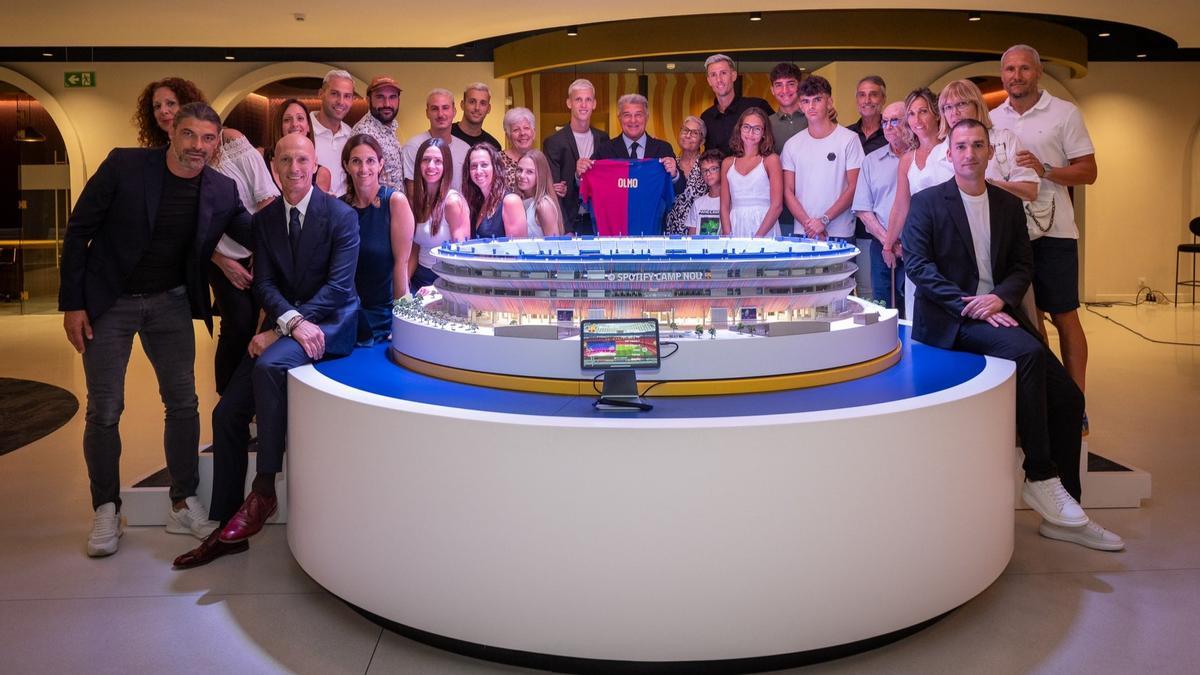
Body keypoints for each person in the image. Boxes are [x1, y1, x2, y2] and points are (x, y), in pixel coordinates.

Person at [902, 118, 1122, 552]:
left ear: (990, 152)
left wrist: (1000, 299)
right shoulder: (927, 202)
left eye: (977, 145)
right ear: (950, 154)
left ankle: (1066, 513)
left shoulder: (1004, 204)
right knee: (1027, 354)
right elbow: (918, 266)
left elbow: (1023, 265)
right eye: (961, 146)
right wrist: (971, 303)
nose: (969, 153)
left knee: (1070, 398)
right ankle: (1040, 476)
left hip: (997, 311)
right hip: (954, 318)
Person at [60, 102, 252, 557]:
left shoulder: (221, 189)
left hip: (170, 302)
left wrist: (304, 211)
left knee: (183, 402)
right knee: (105, 408)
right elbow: (78, 230)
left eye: (208, 139)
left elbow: (254, 232)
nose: (197, 147)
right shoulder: (126, 165)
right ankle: (106, 507)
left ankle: (182, 501)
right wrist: (73, 303)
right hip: (110, 302)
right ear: (172, 132)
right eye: (189, 135)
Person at [172, 133, 361, 568]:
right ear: (272, 167)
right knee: (225, 414)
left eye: (302, 160)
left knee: (268, 366)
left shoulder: (340, 216)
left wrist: (282, 330)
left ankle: (263, 490)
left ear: (315, 166)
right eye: (285, 160)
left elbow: (337, 289)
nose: (294, 168)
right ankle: (224, 525)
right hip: (289, 323)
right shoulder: (267, 219)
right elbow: (265, 284)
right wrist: (288, 322)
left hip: (330, 325)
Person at [990, 44, 1097, 404]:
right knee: (1032, 320)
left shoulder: (1064, 113)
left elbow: (1089, 172)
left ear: (1037, 72)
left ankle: (1076, 401)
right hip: (1012, 235)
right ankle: (1051, 398)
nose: (1015, 76)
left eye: (1023, 69)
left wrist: (1046, 169)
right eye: (1009, 69)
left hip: (1055, 232)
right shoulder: (993, 118)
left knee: (1064, 315)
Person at [207, 120, 280, 396]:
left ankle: (250, 402)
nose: (167, 112)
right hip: (218, 256)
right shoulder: (178, 160)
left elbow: (264, 199)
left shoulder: (232, 142)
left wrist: (262, 253)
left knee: (259, 325)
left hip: (256, 247)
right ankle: (227, 402)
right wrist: (222, 262)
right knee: (237, 324)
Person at [885, 88, 953, 320]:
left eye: (923, 111)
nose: (917, 119)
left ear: (936, 114)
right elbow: (901, 205)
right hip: (919, 241)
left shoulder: (952, 149)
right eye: (912, 114)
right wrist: (888, 243)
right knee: (918, 310)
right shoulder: (907, 159)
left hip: (950, 238)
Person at [342, 134, 416, 345]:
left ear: (381, 164)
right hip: (346, 312)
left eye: (370, 161)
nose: (363, 168)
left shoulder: (395, 202)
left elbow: (401, 267)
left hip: (382, 315)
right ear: (347, 165)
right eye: (356, 161)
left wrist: (404, 323)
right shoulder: (339, 208)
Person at [780, 75, 863, 240]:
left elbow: (854, 187)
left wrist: (824, 220)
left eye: (817, 99)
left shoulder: (849, 139)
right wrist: (808, 224)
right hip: (804, 232)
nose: (811, 106)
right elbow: (788, 191)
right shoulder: (792, 144)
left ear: (830, 102)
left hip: (840, 232)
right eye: (805, 101)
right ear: (800, 106)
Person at [852, 101, 912, 311]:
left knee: (913, 308)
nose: (888, 126)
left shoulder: (922, 158)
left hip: (916, 246)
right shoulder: (871, 161)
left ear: (910, 121)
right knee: (883, 306)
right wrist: (889, 242)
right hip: (881, 245)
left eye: (895, 121)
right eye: (884, 121)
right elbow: (863, 209)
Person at [938, 79, 1039, 203]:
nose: (954, 113)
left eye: (961, 104)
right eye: (948, 107)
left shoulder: (1005, 139)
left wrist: (986, 185)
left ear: (977, 105)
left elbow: (1030, 191)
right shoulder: (937, 153)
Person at [543, 79, 607, 235]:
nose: (584, 105)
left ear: (594, 104)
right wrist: (565, 229)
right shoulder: (554, 142)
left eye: (588, 100)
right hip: (569, 224)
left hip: (598, 223)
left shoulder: (604, 139)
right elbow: (554, 192)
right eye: (578, 99)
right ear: (569, 103)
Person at [409, 138, 471, 290]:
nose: (431, 166)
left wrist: (437, 288)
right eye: (426, 160)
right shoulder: (419, 201)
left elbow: (461, 256)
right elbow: (415, 250)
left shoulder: (452, 202)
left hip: (444, 280)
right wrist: (404, 282)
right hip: (419, 278)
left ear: (446, 166)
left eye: (438, 161)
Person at [721, 108, 783, 238]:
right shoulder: (727, 163)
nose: (750, 133)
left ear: (764, 133)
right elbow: (724, 206)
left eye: (757, 129)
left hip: (764, 227)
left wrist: (757, 238)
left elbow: (777, 205)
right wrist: (728, 235)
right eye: (746, 127)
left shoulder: (771, 160)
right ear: (739, 129)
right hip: (735, 225)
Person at [699, 54, 774, 155]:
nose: (719, 80)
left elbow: (773, 140)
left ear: (734, 76)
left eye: (723, 73)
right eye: (713, 75)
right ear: (709, 81)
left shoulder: (757, 106)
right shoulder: (706, 117)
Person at [402, 89, 472, 195]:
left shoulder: (465, 149)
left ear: (454, 111)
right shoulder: (413, 147)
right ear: (427, 113)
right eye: (434, 109)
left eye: (445, 108)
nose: (440, 114)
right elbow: (413, 197)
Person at [768, 63, 807, 236]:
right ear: (772, 90)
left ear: (799, 86)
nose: (785, 90)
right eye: (779, 85)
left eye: (790, 83)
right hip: (779, 213)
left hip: (815, 211)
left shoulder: (815, 118)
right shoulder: (766, 124)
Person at [265, 98, 333, 192]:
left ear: (308, 126)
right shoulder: (260, 159)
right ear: (279, 126)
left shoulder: (322, 174)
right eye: (287, 120)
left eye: (300, 118)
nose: (294, 124)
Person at [350, 75, 405, 191]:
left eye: (392, 97)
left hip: (394, 205)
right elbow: (362, 183)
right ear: (368, 100)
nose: (387, 104)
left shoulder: (390, 127)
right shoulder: (364, 133)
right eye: (380, 97)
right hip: (378, 207)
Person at [463, 142, 527, 239]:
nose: (478, 171)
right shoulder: (476, 203)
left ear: (495, 167)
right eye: (474, 166)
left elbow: (517, 249)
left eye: (484, 165)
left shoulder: (511, 201)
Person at [311, 69, 355, 196]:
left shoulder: (351, 135)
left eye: (347, 96)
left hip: (344, 210)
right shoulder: (304, 130)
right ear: (321, 94)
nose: (341, 102)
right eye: (335, 94)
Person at [663, 116, 709, 235]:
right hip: (671, 231)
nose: (688, 135)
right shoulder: (670, 164)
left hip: (700, 232)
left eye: (694, 133)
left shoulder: (707, 165)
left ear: (702, 141)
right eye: (685, 130)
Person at [132, 77, 206, 148]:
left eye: (171, 103)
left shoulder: (210, 147)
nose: (163, 111)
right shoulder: (159, 154)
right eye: (157, 106)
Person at [516, 149, 564, 237]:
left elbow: (553, 246)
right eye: (519, 170)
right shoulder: (521, 201)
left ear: (540, 175)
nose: (522, 176)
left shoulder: (543, 205)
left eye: (529, 172)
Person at [685, 150, 726, 235]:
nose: (708, 173)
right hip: (699, 248)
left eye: (713, 169)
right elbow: (691, 237)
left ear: (723, 170)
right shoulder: (698, 203)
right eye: (704, 170)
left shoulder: (730, 202)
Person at [452, 82, 501, 150]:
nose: (477, 108)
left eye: (483, 103)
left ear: (488, 109)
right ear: (462, 105)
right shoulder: (447, 135)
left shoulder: (493, 146)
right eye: (472, 102)